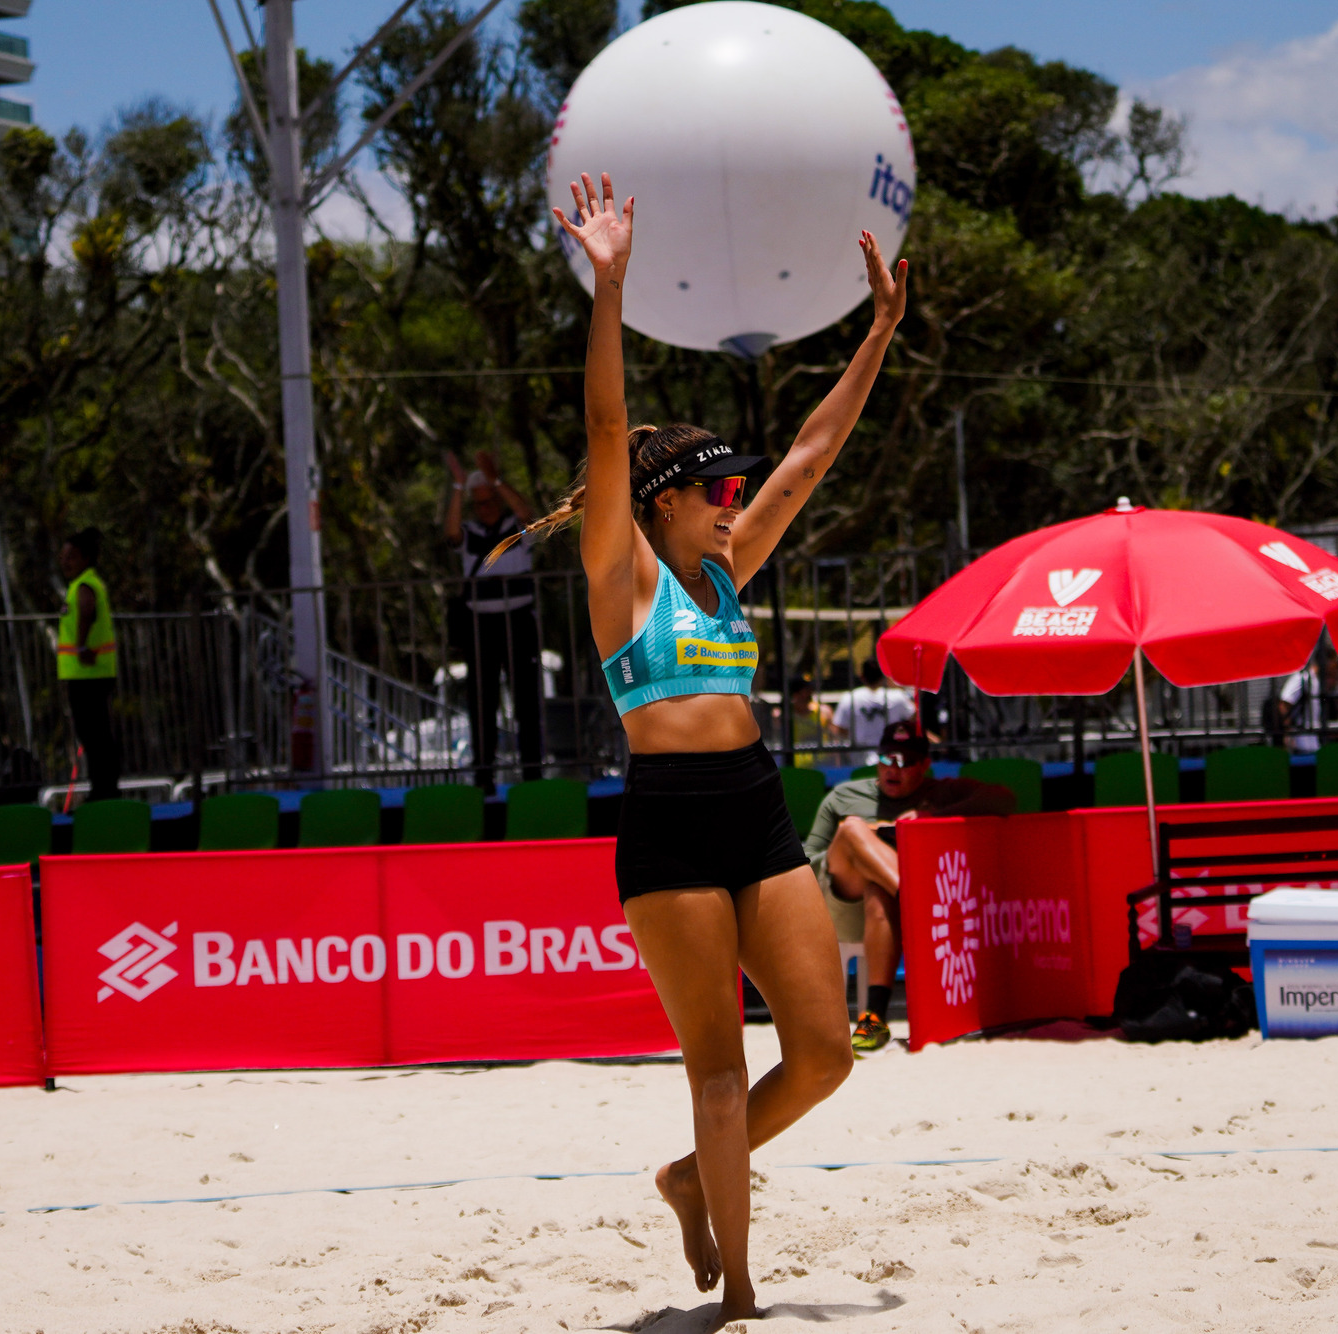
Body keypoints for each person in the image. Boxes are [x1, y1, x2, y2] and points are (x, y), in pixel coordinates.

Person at [520, 171, 905, 1320]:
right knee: (720, 1071)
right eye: (717, 486)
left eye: (736, 483)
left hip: (753, 805)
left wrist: (879, 331)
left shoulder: (727, 567)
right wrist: (610, 285)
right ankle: (736, 1288)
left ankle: (690, 1177)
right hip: (670, 821)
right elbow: (604, 427)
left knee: (825, 1051)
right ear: (662, 502)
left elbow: (812, 452)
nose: (737, 495)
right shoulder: (620, 574)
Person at [803, 720, 1016, 1051]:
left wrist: (932, 818)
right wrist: (869, 838)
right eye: (886, 758)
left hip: (885, 910)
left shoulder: (941, 792)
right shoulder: (845, 795)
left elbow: (1004, 799)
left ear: (924, 765)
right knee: (852, 830)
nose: (893, 768)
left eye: (904, 762)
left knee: (878, 890)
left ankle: (873, 1017)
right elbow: (807, 858)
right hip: (843, 902)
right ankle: (918, 904)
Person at [445, 449, 544, 789]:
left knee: (526, 701)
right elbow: (451, 533)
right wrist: (458, 486)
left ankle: (532, 774)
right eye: (478, 504)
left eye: (489, 501)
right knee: (482, 701)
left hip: (518, 620)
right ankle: (483, 775)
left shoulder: (515, 529)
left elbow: (527, 513)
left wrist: (497, 480)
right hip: (481, 625)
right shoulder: (470, 532)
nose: (484, 509)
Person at [58, 528, 121, 802]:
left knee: (93, 733)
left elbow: (86, 611)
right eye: (63, 557)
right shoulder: (86, 583)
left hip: (88, 673)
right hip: (90, 673)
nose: (65, 562)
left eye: (71, 557)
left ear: (85, 558)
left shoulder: (85, 585)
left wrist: (82, 646)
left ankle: (104, 790)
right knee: (96, 732)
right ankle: (104, 787)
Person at [829, 657, 915, 752]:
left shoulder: (849, 698)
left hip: (860, 755)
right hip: (889, 753)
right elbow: (914, 718)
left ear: (862, 676)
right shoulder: (897, 696)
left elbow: (839, 730)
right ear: (883, 676)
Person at [1275, 644, 1338, 754]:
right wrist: (1288, 732)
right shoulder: (1303, 679)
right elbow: (1285, 703)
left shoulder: (1317, 682)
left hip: (1311, 740)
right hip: (1299, 740)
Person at [786, 675, 833, 765]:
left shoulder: (824, 712)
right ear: (795, 693)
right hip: (795, 767)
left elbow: (834, 740)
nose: (810, 692)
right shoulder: (784, 715)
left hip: (822, 766)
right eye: (806, 690)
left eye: (811, 689)